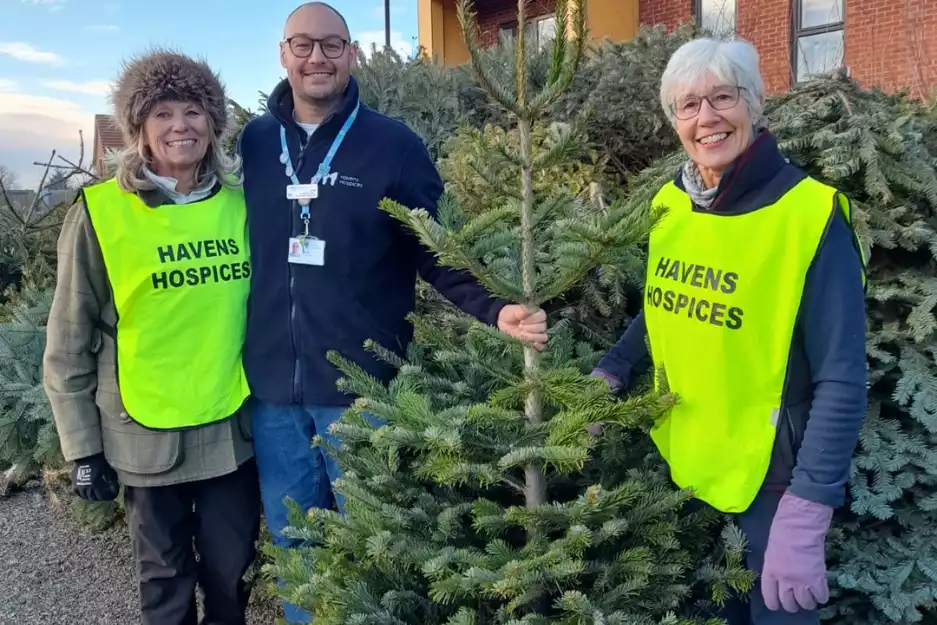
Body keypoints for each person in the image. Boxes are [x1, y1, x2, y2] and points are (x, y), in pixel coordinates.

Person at [236, 2, 548, 621]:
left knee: (377, 546)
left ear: (352, 55)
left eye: (332, 45)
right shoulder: (253, 142)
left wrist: (493, 309)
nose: (317, 58)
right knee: (296, 544)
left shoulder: (392, 145)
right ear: (282, 54)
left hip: (362, 388)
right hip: (272, 391)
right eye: (303, 45)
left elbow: (433, 243)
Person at [591, 37, 867, 625]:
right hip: (688, 467)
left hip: (773, 484)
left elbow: (843, 376)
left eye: (723, 97)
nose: (707, 118)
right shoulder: (673, 203)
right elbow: (668, 302)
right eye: (688, 106)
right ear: (674, 123)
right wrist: (611, 370)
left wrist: (810, 505)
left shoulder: (809, 215)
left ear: (756, 104)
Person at [43, 49, 260, 625]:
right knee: (164, 581)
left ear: (213, 123)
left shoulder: (241, 208)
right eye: (162, 113)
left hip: (228, 429)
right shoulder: (100, 215)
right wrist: (82, 450)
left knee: (230, 571)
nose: (179, 126)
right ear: (138, 127)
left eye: (193, 110)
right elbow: (67, 342)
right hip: (141, 436)